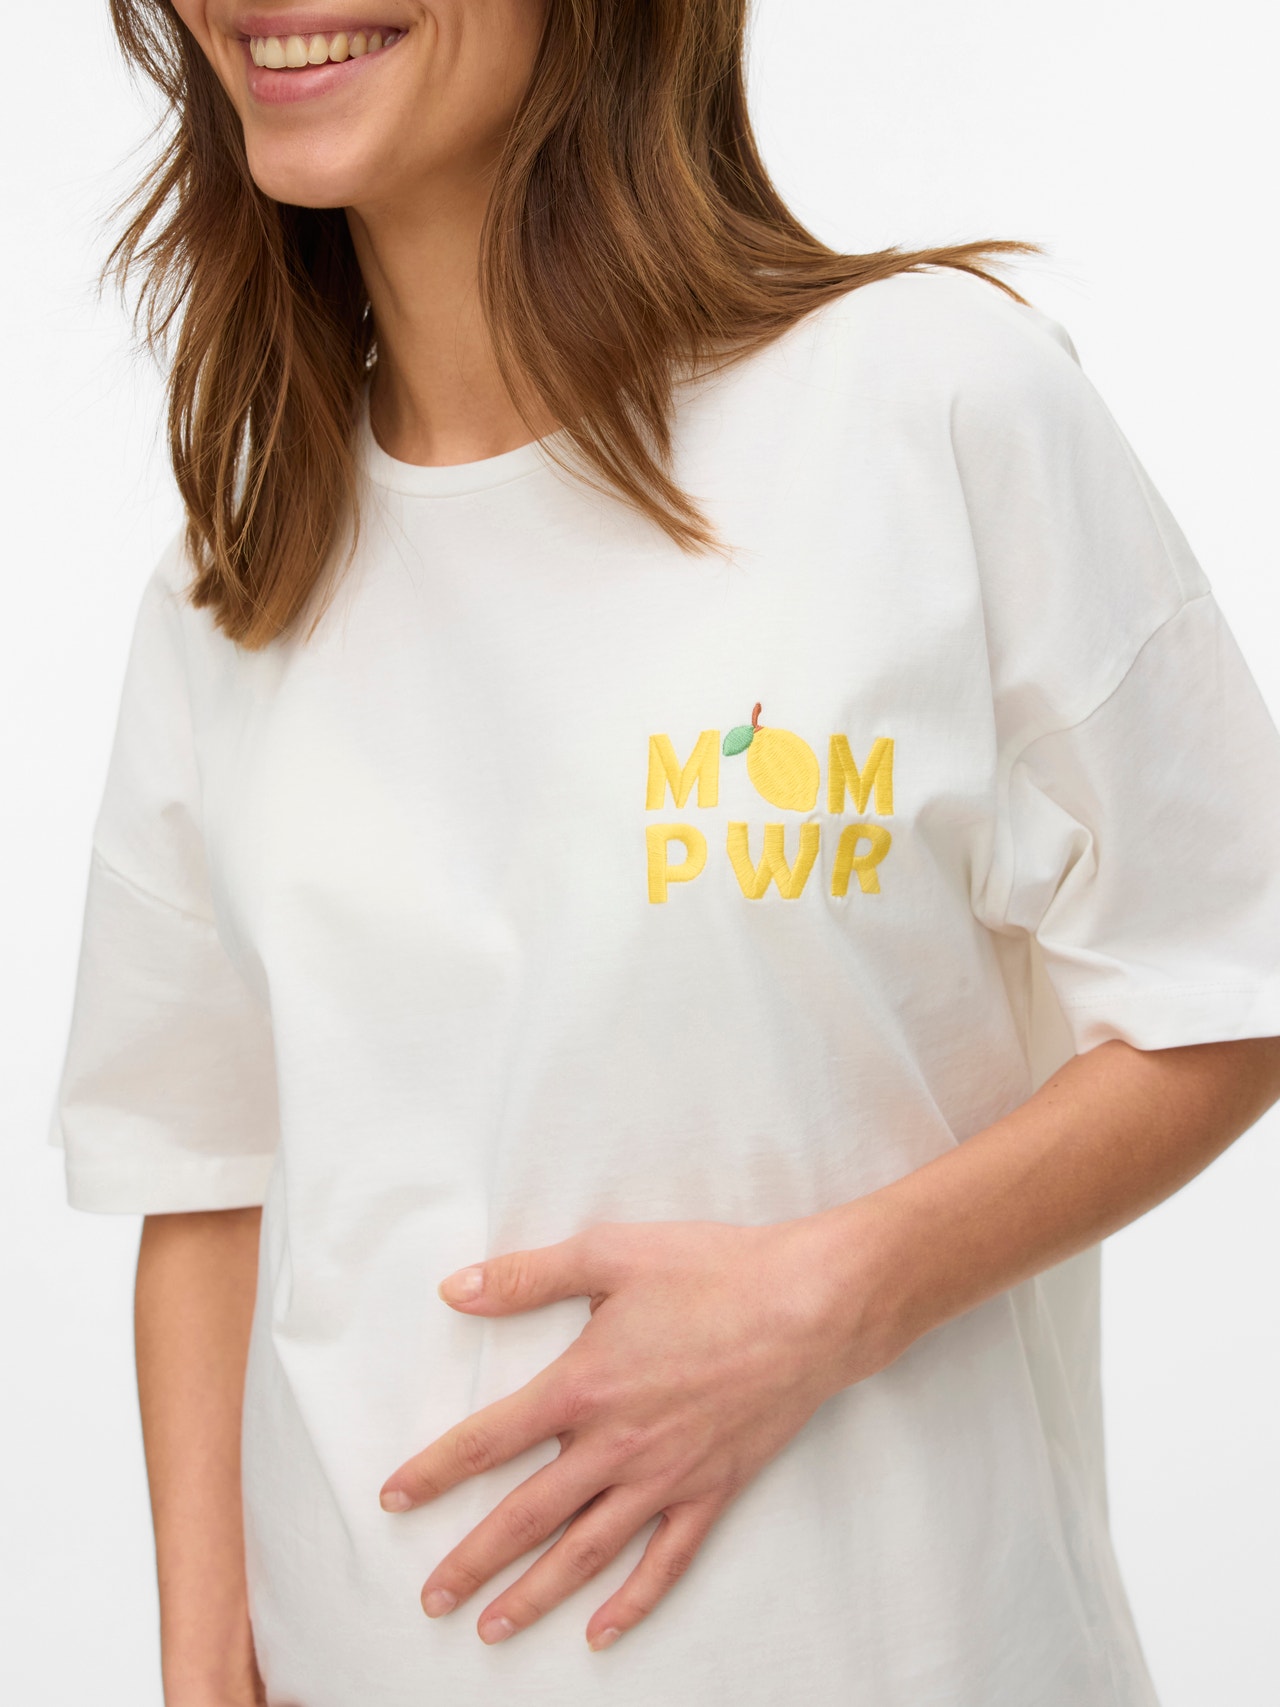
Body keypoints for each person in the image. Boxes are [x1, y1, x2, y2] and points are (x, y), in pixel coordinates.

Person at [47, 3, 1280, 1705]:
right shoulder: (236, 572)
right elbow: (206, 1172)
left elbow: (1231, 983)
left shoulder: (929, 403)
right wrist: (203, 1676)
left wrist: (830, 1299)